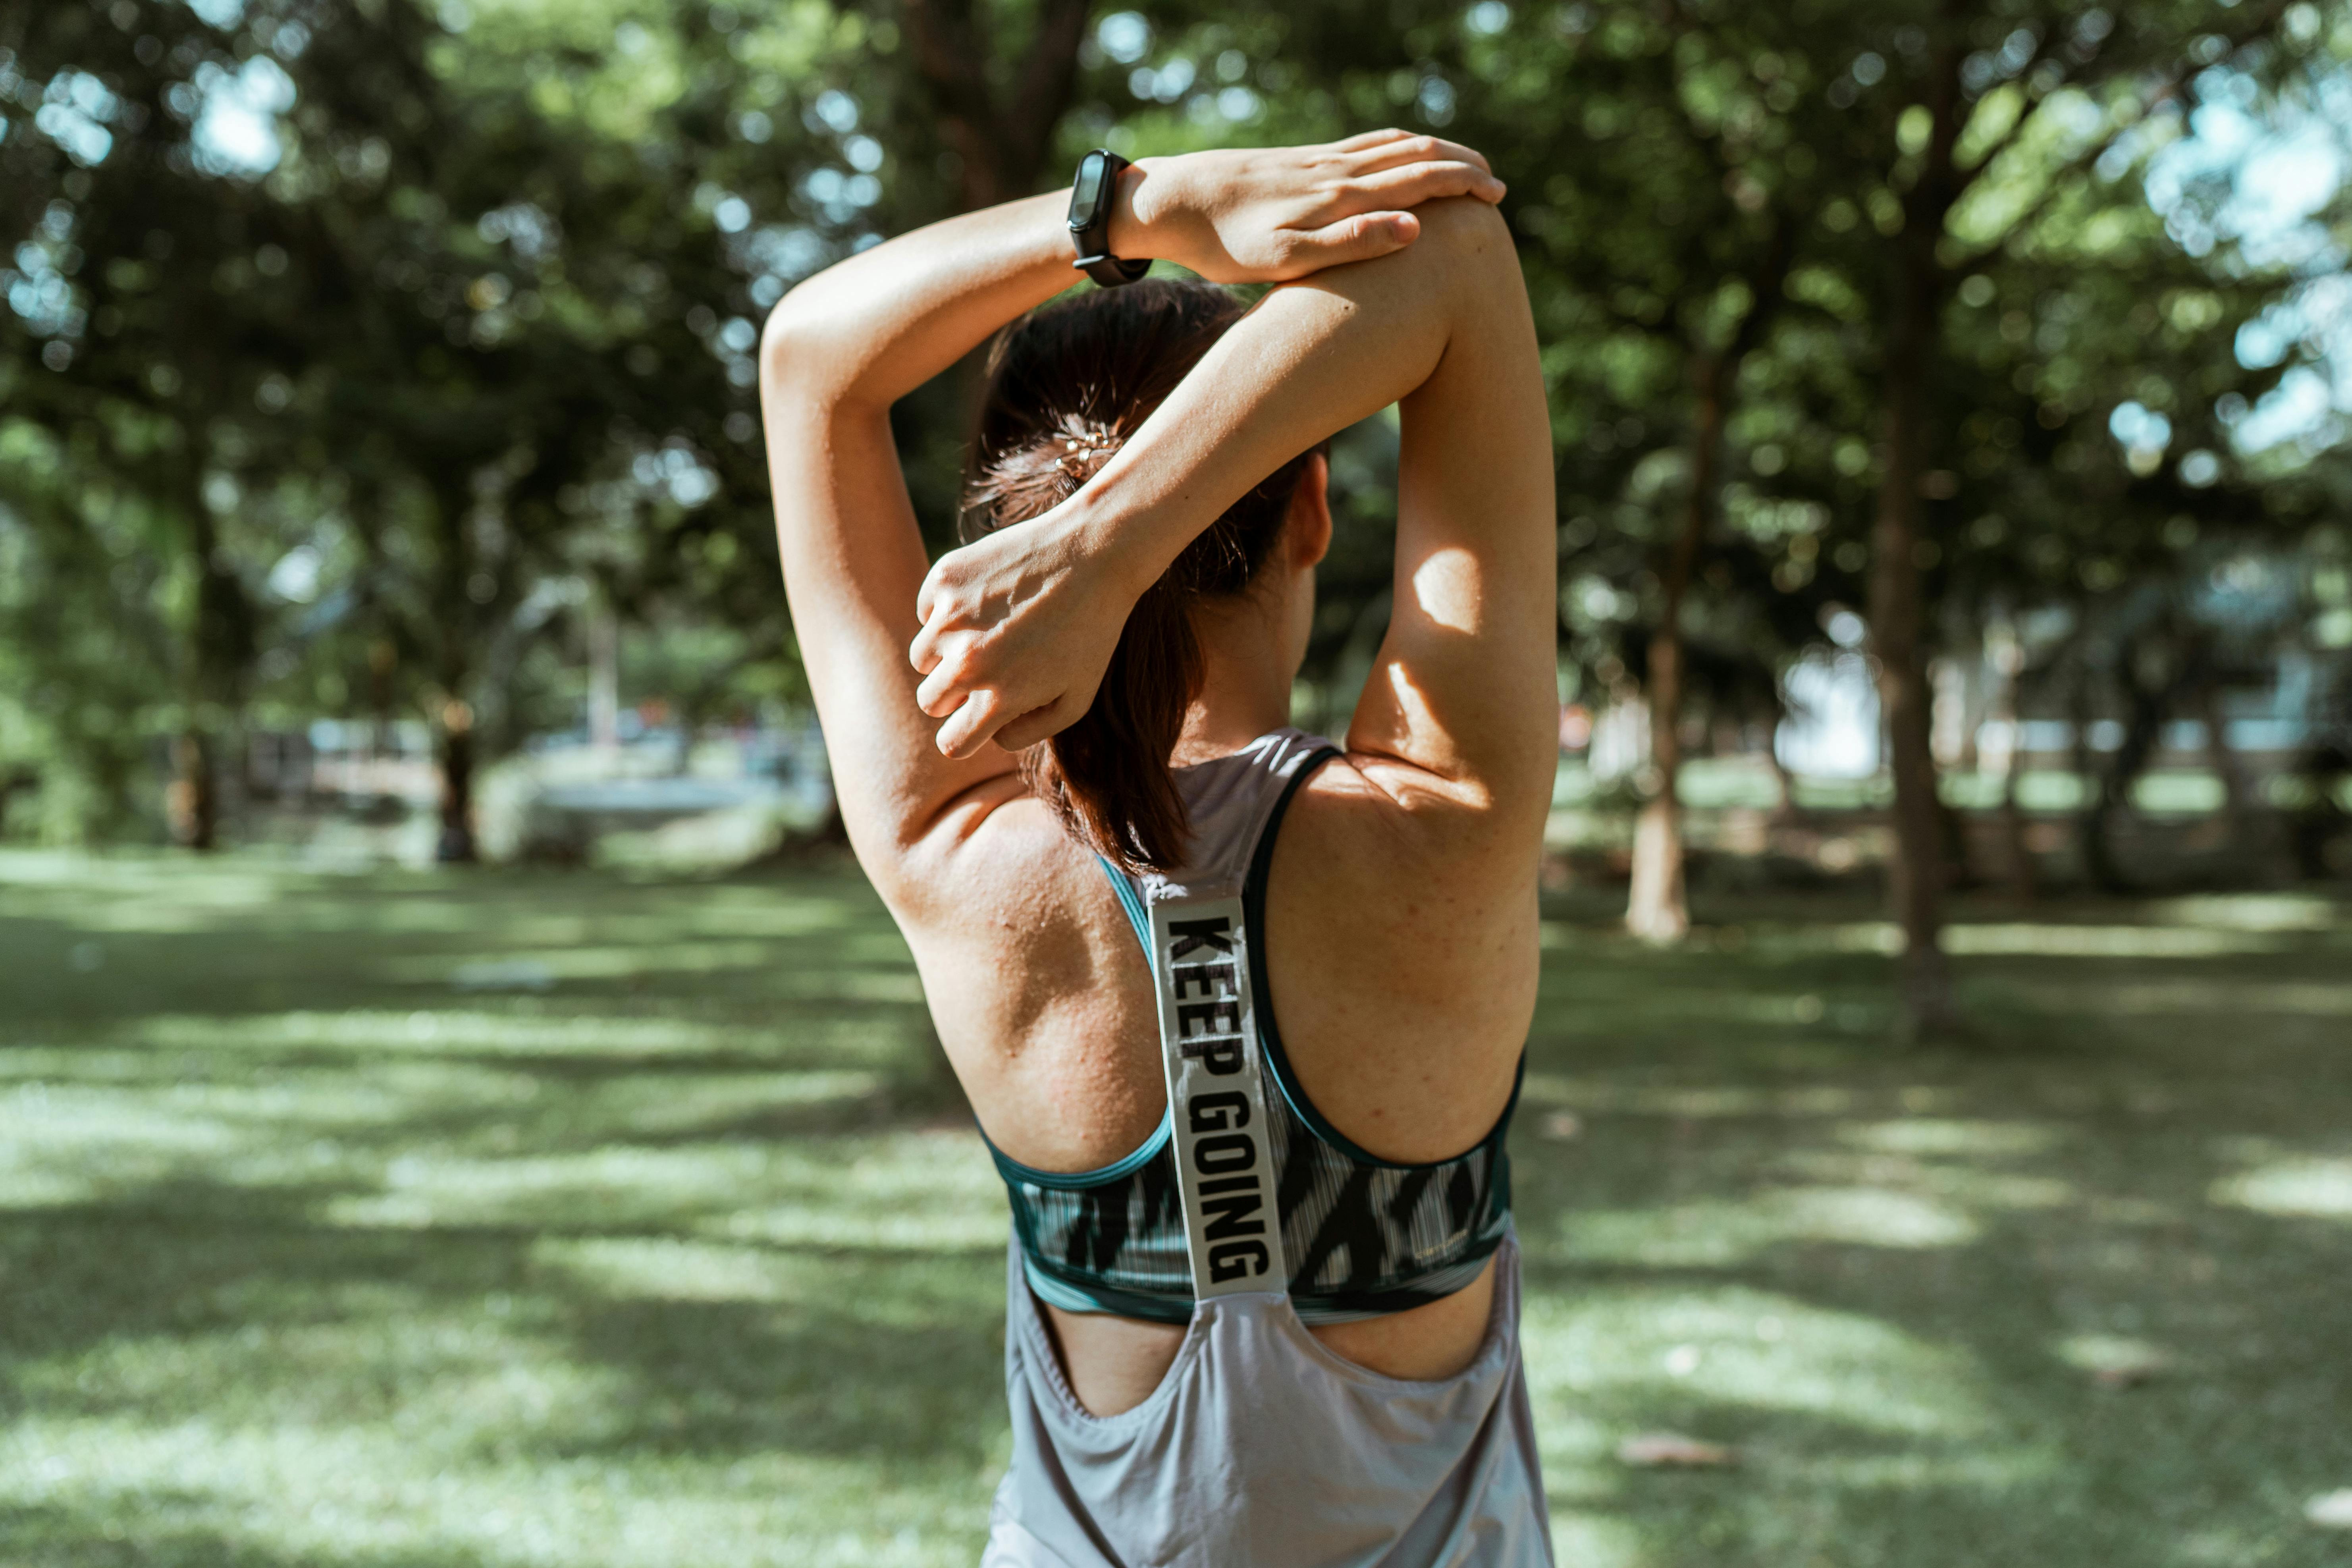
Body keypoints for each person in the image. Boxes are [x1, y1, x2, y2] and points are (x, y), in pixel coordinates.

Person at [760, 131, 1558, 1566]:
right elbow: (1459, 256)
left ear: (996, 535)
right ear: (1309, 506)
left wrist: (1140, 206)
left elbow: (811, 354)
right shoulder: (1446, 813)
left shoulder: (954, 843)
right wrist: (1114, 549)